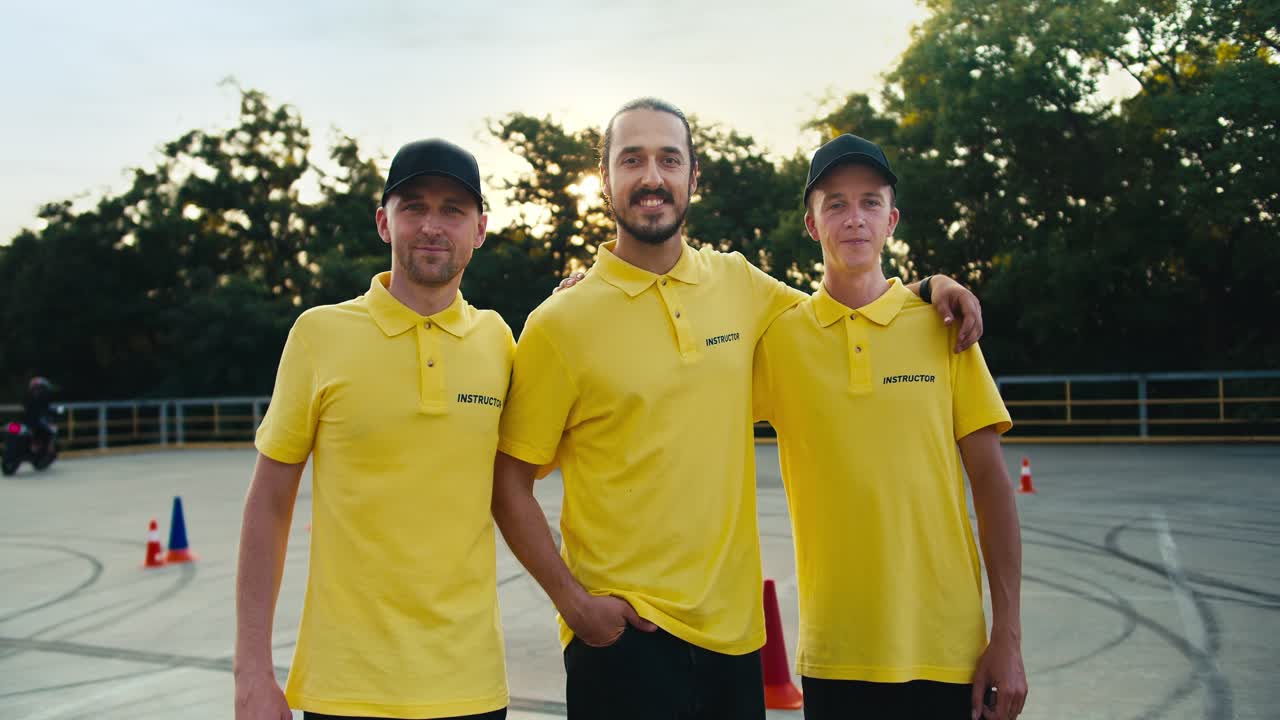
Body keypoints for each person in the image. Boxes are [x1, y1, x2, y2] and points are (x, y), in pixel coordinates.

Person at [491, 98, 983, 719]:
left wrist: (927, 288)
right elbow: (509, 483)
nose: (652, 176)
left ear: (693, 178)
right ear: (605, 179)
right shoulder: (559, 323)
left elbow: (842, 306)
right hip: (622, 641)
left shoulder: (741, 285)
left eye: (670, 159)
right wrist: (574, 604)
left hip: (735, 644)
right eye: (632, 159)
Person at [751, 134, 1027, 720]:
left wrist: (1008, 637)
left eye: (870, 202)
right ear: (811, 223)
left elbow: (993, 486)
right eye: (836, 204)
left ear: (892, 219)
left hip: (950, 650)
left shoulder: (942, 326)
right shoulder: (779, 341)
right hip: (837, 655)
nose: (855, 219)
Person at [234, 139, 512, 720]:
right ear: (385, 222)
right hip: (345, 689)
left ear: (480, 228)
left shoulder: (501, 343)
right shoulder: (319, 335)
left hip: (470, 686)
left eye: (453, 210)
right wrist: (253, 671)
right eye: (414, 207)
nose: (432, 225)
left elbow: (533, 471)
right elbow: (269, 505)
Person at [22, 377, 54, 453]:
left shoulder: (27, 399)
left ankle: (38, 446)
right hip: (33, 423)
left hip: (28, 422)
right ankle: (39, 446)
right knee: (48, 429)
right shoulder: (41, 400)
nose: (37, 391)